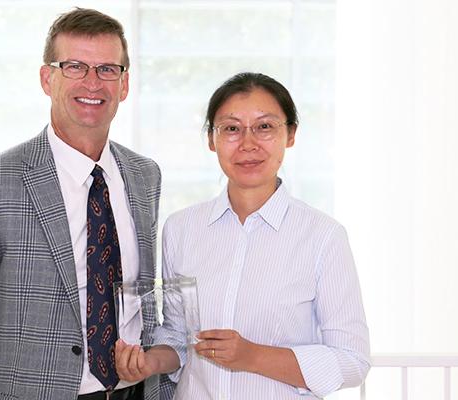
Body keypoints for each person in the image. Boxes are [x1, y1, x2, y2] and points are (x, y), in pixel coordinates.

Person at [0, 8, 167, 400]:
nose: (93, 82)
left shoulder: (145, 176)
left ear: (124, 84)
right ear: (47, 78)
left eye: (108, 69)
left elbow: (143, 298)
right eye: (75, 66)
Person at [115, 72, 370, 399]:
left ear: (290, 134)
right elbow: (179, 338)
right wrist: (148, 362)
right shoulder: (181, 228)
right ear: (212, 139)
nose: (248, 144)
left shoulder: (323, 237)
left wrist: (252, 356)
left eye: (265, 127)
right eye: (232, 129)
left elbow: (352, 360)